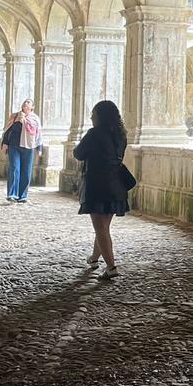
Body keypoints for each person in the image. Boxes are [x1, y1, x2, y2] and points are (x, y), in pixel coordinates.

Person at [74, 100, 130, 280]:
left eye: (93, 114)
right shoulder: (121, 134)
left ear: (100, 116)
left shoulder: (94, 134)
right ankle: (94, 258)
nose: (91, 117)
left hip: (97, 186)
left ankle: (112, 267)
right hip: (116, 185)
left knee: (100, 228)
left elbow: (78, 154)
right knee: (103, 227)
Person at [1, 99, 43, 203]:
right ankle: (12, 194)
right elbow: (8, 130)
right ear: (22, 106)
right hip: (14, 146)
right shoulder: (15, 116)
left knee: (26, 171)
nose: (26, 105)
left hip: (29, 147)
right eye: (25, 103)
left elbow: (38, 134)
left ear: (32, 107)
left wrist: (39, 148)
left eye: (28, 104)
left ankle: (22, 195)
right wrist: (5, 143)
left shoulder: (35, 119)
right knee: (14, 169)